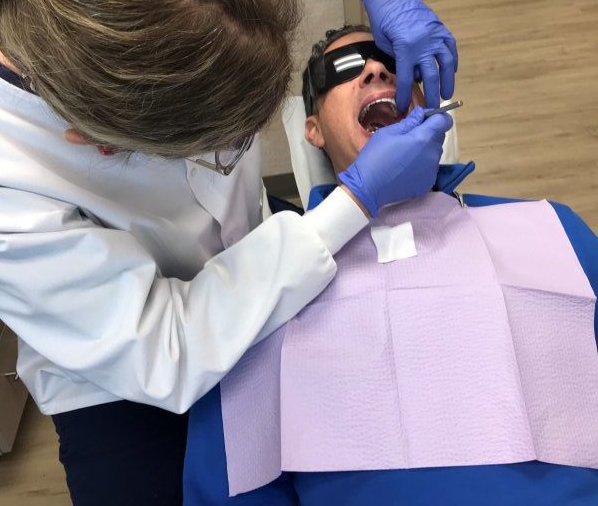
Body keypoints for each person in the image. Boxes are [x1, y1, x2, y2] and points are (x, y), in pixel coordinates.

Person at [0, 0, 456, 505]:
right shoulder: (10, 188)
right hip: (120, 374)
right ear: (103, 144)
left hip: (259, 259)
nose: (374, 70)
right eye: (228, 144)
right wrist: (354, 203)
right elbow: (167, 347)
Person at [183, 25, 598, 506]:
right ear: (312, 128)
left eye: (394, 63)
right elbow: (235, 483)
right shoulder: (257, 287)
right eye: (342, 68)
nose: (377, 69)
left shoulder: (550, 231)